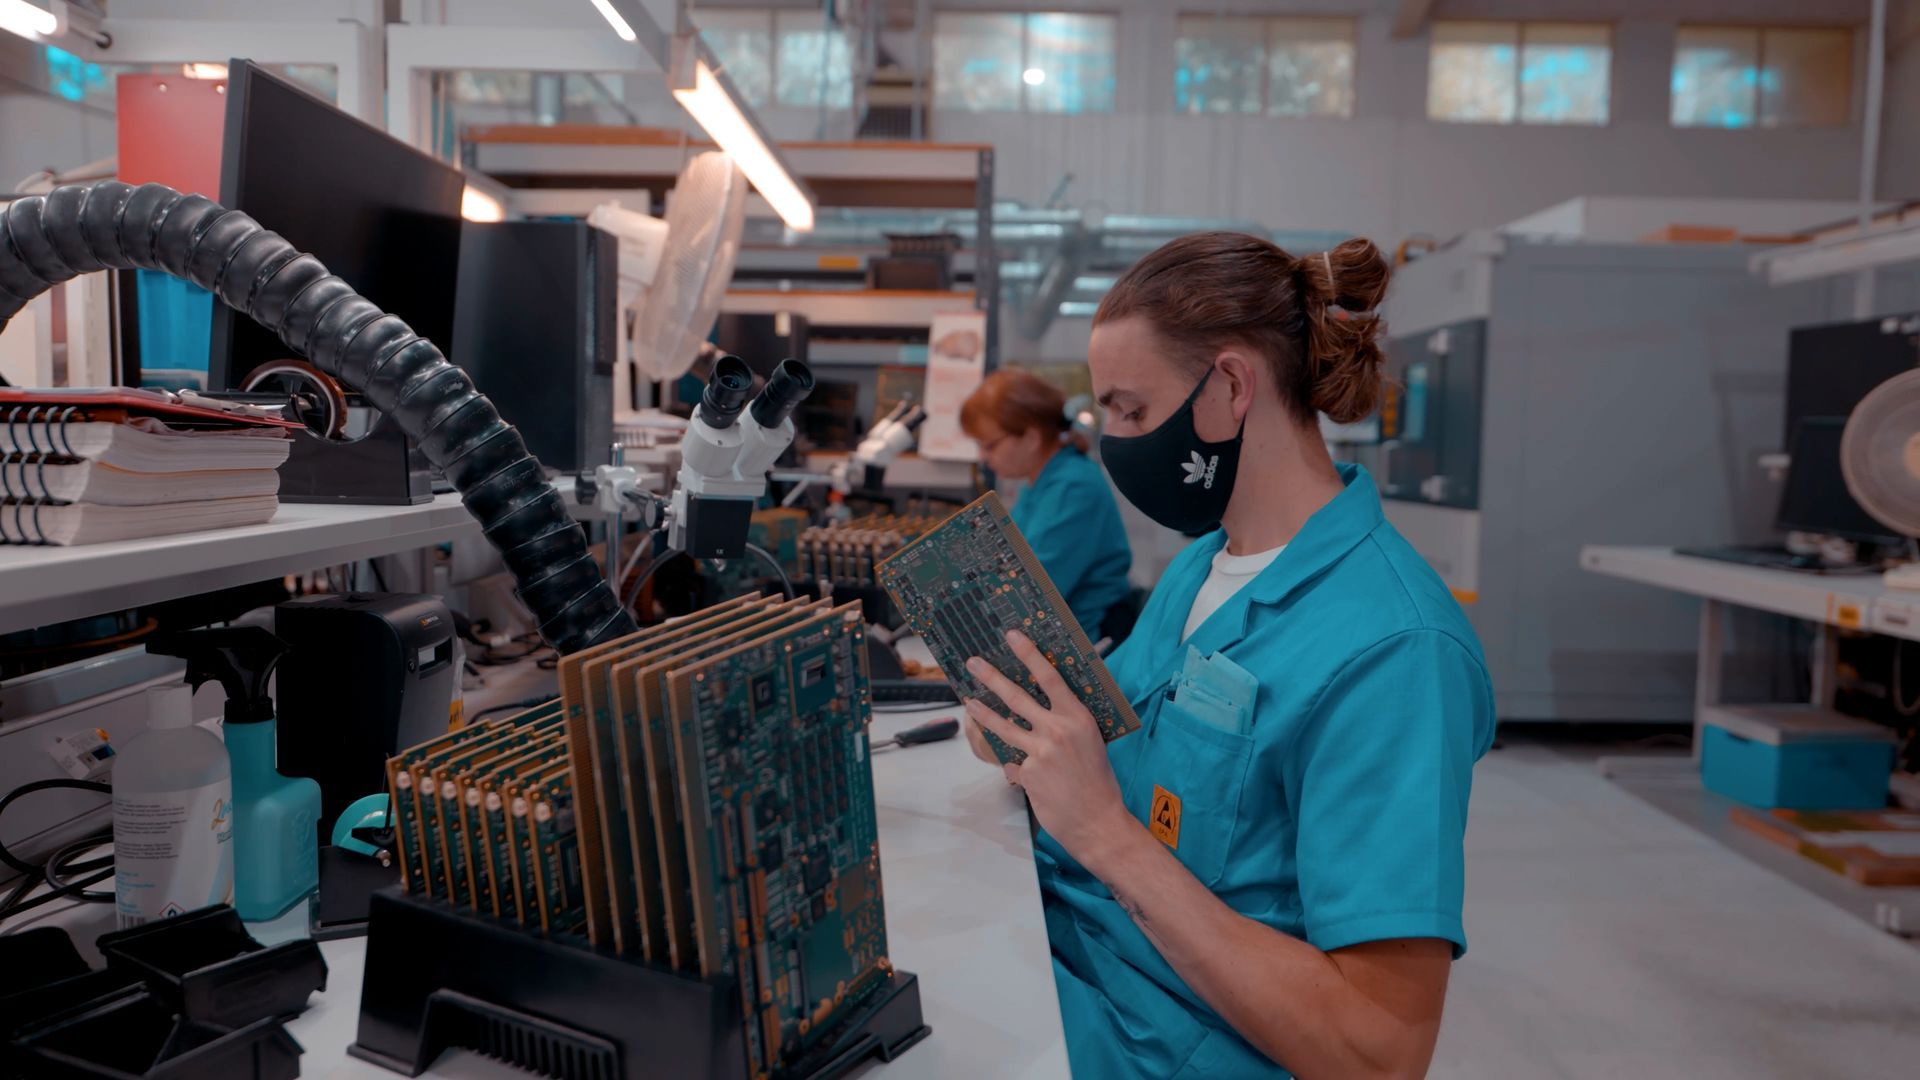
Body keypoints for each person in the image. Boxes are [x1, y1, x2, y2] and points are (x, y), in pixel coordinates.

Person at [959, 233, 1496, 1079]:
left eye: (1132, 412)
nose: (1118, 442)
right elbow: (1118, 742)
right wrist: (1030, 732)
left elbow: (1378, 1052)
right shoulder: (1200, 568)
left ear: (1234, 386)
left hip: (1164, 1042)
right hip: (1074, 957)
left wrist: (1103, 831)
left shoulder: (1397, 654)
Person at [960, 369, 1133, 642]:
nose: (982, 458)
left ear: (1031, 437)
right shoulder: (1039, 484)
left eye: (989, 445)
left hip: (1086, 648)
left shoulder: (1073, 488)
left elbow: (1027, 593)